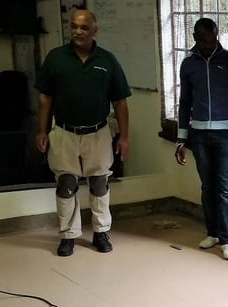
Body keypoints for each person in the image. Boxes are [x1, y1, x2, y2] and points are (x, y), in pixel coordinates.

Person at [35, 9, 130, 257]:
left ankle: (101, 232)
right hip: (64, 132)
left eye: (84, 27)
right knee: (66, 184)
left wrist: (124, 136)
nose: (78, 31)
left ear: (94, 31)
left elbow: (120, 102)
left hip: (98, 132)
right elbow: (45, 98)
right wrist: (41, 131)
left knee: (99, 183)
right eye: (74, 26)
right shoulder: (56, 58)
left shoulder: (107, 61)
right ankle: (68, 235)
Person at [174, 18, 228, 261]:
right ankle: (213, 233)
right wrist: (181, 138)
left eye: (212, 38)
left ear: (217, 35)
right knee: (207, 187)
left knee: (225, 189)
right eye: (202, 39)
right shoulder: (188, 64)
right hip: (199, 134)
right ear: (195, 37)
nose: (208, 44)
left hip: (226, 133)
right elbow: (184, 103)